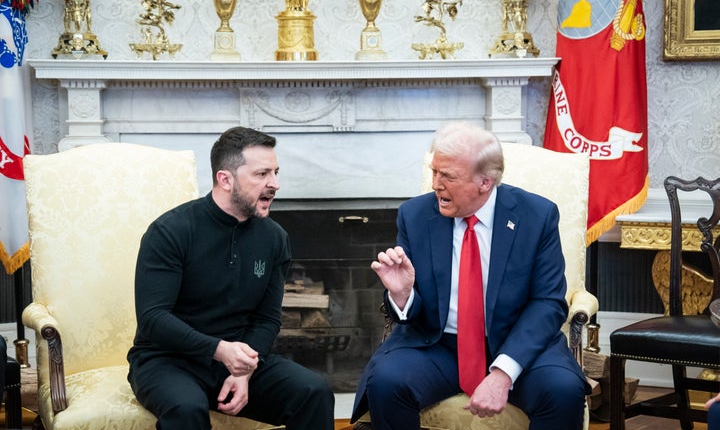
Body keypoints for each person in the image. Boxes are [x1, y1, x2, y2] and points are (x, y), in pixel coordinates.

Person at [351, 122, 590, 430]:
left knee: (563, 390)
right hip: (436, 345)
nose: (436, 184)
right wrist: (402, 295)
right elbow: (410, 311)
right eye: (435, 171)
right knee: (386, 381)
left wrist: (503, 372)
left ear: (485, 182)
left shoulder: (536, 216)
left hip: (514, 342)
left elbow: (548, 303)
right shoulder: (415, 215)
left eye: (448, 176)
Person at [127, 126, 335, 430]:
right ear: (225, 179)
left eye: (276, 173)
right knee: (187, 409)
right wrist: (220, 350)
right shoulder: (170, 231)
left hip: (239, 362)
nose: (275, 184)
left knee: (314, 393)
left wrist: (243, 372)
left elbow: (267, 319)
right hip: (168, 360)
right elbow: (153, 319)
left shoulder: (275, 238)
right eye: (262, 174)